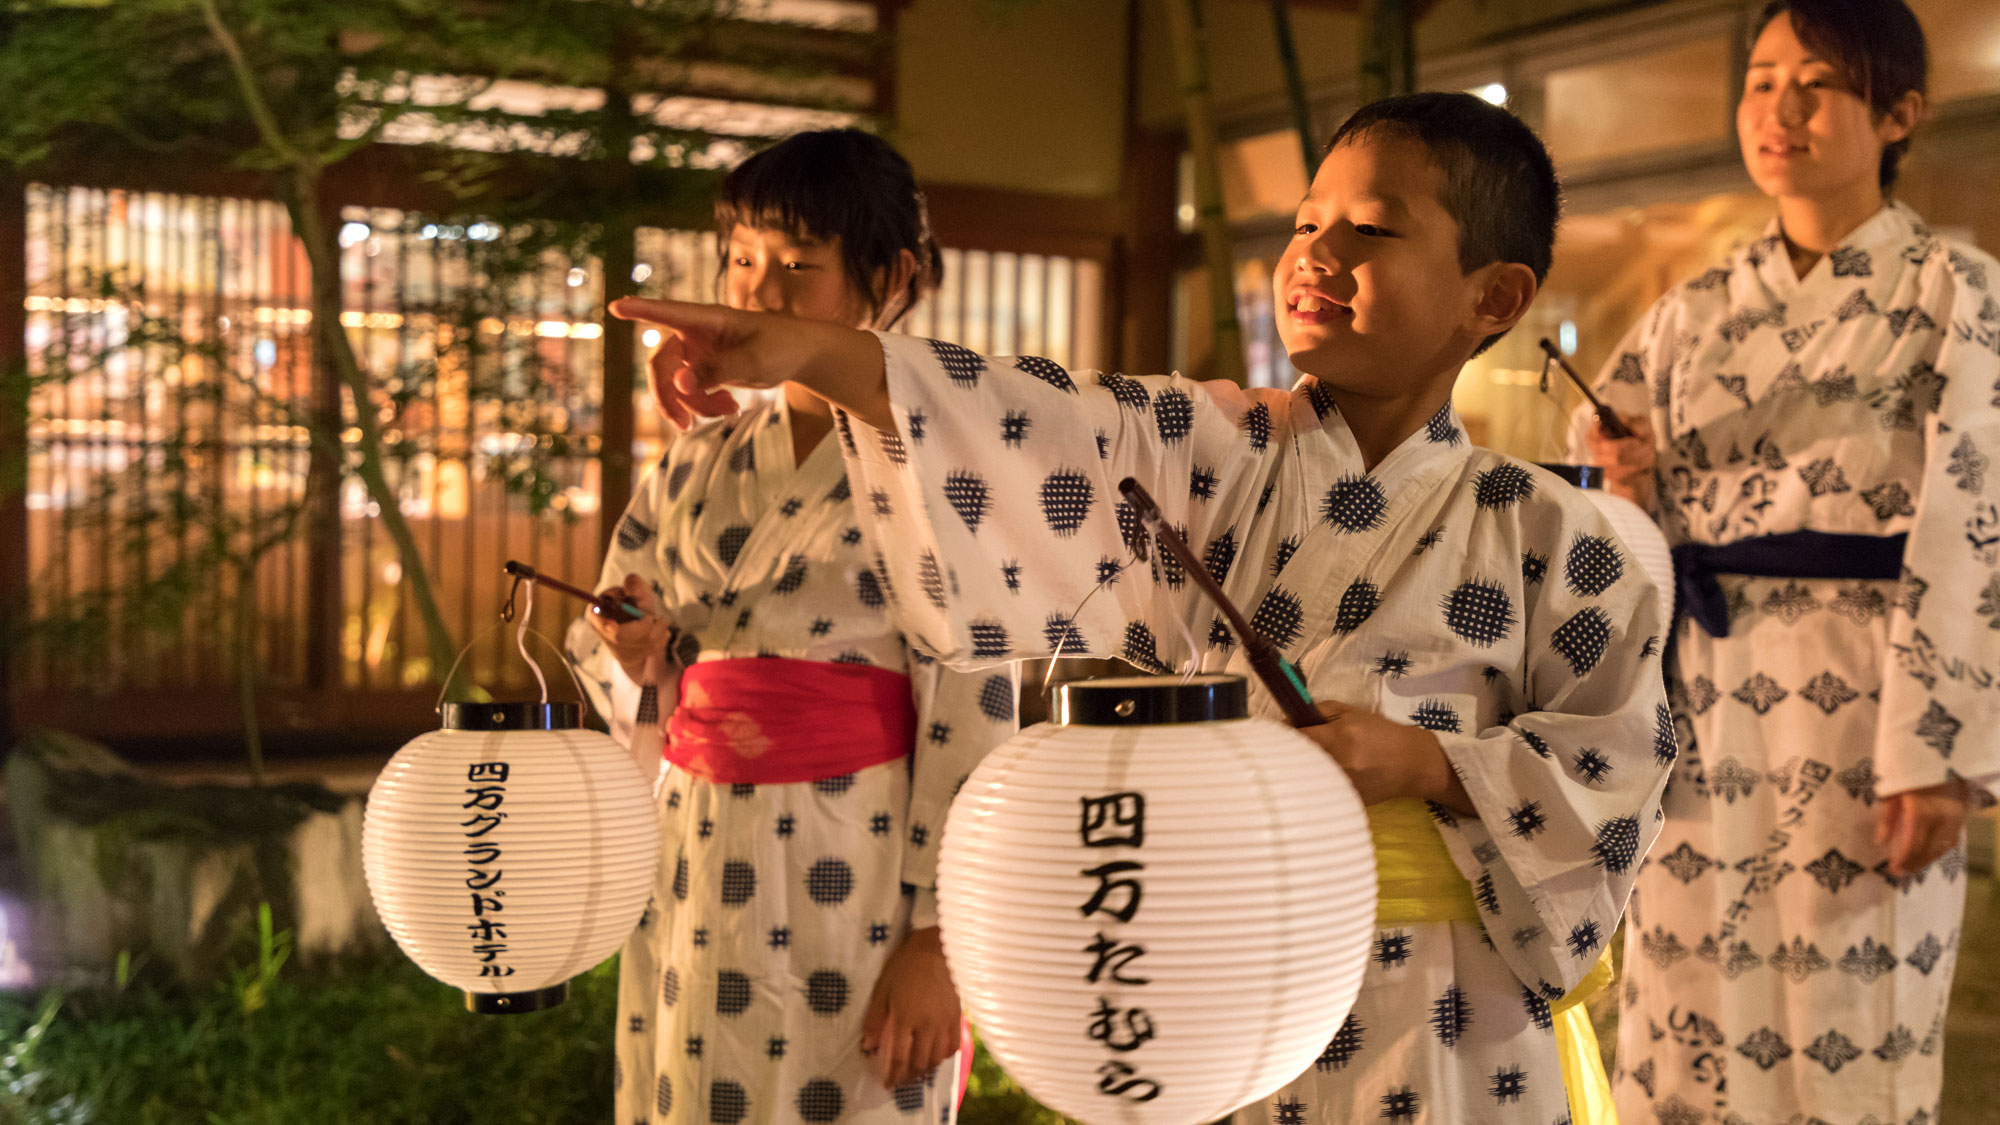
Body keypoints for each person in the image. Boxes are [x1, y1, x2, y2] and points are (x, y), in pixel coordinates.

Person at [613, 92, 1672, 1125]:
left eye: (1371, 228)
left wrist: (1422, 763)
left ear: (1491, 299)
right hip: (1211, 972)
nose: (1316, 251)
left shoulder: (1554, 535)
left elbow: (1617, 767)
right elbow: (1027, 416)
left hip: (1440, 1005)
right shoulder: (1203, 448)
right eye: (1306, 222)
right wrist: (807, 353)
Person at [1575, 4, 2000, 1122]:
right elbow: (1607, 515)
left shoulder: (1958, 292)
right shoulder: (1687, 313)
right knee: (1684, 1002)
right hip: (1699, 698)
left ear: (1897, 113)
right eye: (1761, 80)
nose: (1779, 108)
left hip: (1865, 702)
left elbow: (1977, 516)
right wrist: (1624, 478)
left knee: (1849, 1022)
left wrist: (1935, 752)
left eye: (1816, 82)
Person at [568, 129, 1016, 1125]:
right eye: (741, 260)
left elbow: (976, 704)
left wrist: (941, 939)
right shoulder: (695, 459)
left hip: (854, 860)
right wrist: (634, 653)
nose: (758, 291)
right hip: (692, 853)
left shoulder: (942, 464)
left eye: (798, 265)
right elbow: (619, 643)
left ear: (889, 276)